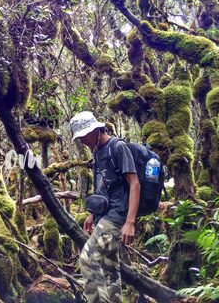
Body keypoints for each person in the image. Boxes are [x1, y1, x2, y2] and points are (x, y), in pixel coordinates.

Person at [70, 111, 141, 303]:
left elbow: (134, 184)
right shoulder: (97, 152)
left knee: (88, 259)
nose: (82, 141)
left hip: (117, 216)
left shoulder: (117, 147)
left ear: (95, 129)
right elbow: (103, 188)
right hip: (104, 215)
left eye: (84, 135)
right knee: (111, 270)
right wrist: (93, 215)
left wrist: (130, 222)